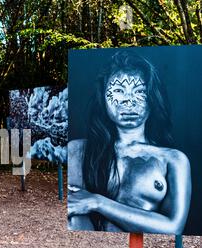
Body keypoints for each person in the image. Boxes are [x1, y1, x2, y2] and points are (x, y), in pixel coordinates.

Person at [68, 51, 192, 234]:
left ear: (152, 97)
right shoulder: (77, 151)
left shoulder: (173, 160)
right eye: (118, 91)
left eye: (140, 91)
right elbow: (73, 212)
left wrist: (98, 202)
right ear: (103, 97)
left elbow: (173, 228)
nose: (129, 101)